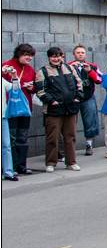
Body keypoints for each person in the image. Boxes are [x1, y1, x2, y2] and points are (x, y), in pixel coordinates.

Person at [35, 47, 84, 173]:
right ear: (49, 58)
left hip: (70, 108)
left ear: (62, 56)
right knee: (52, 138)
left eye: (58, 56)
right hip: (53, 110)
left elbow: (79, 83)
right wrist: (52, 101)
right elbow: (40, 91)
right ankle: (51, 163)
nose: (56, 58)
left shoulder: (69, 68)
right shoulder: (43, 71)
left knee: (70, 136)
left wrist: (78, 97)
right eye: (53, 56)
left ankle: (71, 162)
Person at [2, 44, 37, 175]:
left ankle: (21, 166)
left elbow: (35, 87)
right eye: (26, 54)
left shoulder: (30, 69)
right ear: (19, 54)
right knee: (10, 138)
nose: (29, 57)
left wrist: (31, 88)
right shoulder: (6, 65)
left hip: (25, 108)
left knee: (22, 138)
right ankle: (10, 166)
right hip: (10, 107)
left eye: (31, 55)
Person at [69, 45, 102, 156]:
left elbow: (99, 80)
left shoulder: (92, 66)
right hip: (73, 98)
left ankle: (89, 144)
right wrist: (71, 69)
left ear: (85, 54)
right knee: (70, 122)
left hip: (88, 97)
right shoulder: (68, 66)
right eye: (78, 52)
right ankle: (69, 146)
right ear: (74, 54)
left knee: (90, 120)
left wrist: (90, 71)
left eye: (82, 52)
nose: (80, 54)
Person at [2, 77, 17, 181]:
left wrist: (15, 77)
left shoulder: (1, 80)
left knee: (6, 145)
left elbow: (15, 88)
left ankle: (8, 172)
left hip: (3, 117)